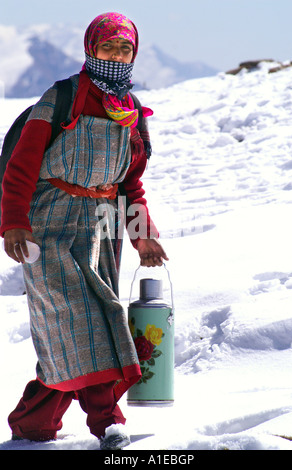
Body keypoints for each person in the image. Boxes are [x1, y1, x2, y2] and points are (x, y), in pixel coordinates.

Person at [0, 12, 168, 450]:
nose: (116, 55)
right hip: (48, 226)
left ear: (135, 54)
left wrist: (142, 234)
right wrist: (14, 223)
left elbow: (130, 184)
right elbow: (20, 167)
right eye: (108, 47)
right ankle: (108, 423)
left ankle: (32, 422)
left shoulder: (130, 113)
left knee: (72, 330)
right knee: (86, 322)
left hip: (100, 229)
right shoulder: (59, 99)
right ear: (91, 48)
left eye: (124, 49)